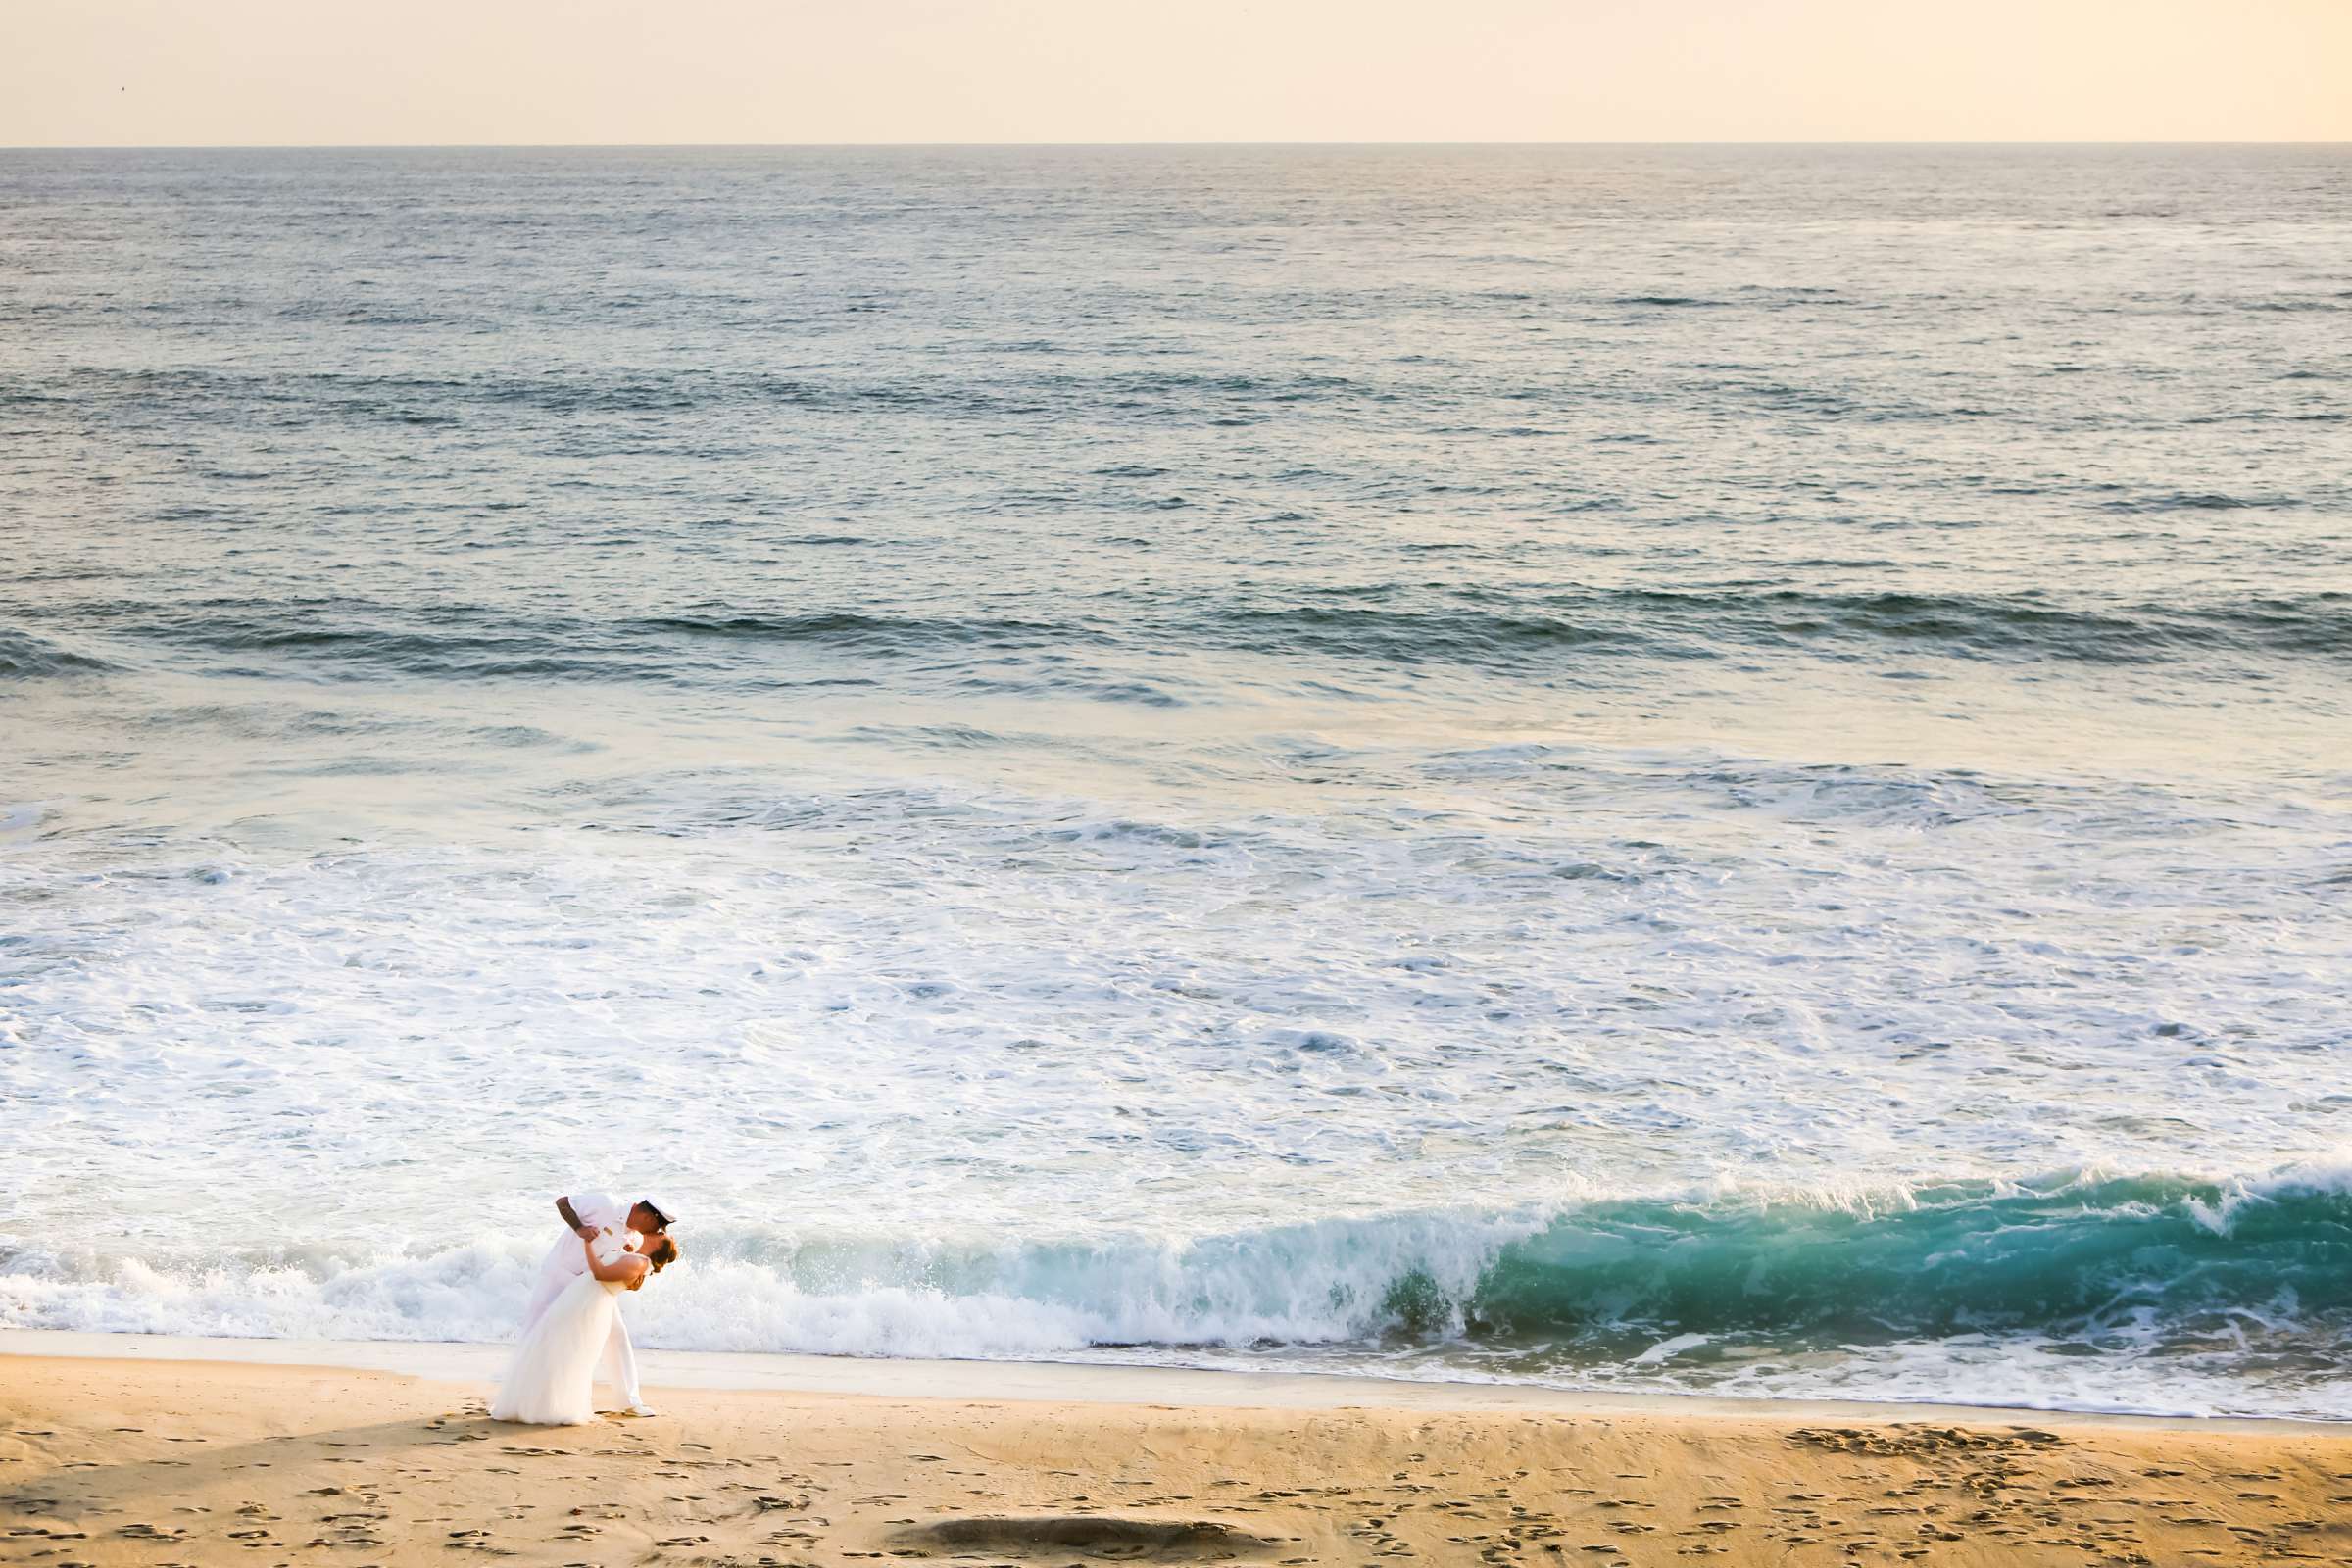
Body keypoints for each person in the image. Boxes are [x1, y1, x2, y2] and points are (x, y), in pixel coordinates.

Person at [492, 1229, 680, 1425]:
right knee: (552, 1343)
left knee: (561, 1347)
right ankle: (536, 1400)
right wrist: (625, 1250)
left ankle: (545, 1403)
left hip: (585, 1300)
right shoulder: (635, 1257)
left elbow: (601, 1273)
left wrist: (588, 1244)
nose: (660, 1232)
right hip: (581, 1295)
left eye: (663, 1236)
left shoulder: (639, 1263)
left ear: (660, 1245)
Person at [518, 1192, 673, 1416]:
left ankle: (631, 1402)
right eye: (659, 1226)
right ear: (649, 1217)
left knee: (616, 1335)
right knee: (534, 1331)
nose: (657, 1232)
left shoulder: (634, 1236)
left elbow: (617, 1266)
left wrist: (625, 1253)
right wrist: (580, 1228)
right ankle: (518, 1397)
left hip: (590, 1290)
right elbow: (562, 1203)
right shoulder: (605, 1203)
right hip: (558, 1275)